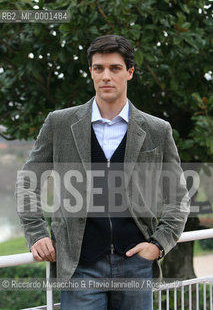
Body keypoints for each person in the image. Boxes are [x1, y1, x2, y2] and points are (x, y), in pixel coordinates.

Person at [16, 34, 190, 310]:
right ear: (91, 72)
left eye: (115, 68)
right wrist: (36, 233)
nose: (106, 76)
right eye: (99, 68)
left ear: (129, 72)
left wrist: (158, 244)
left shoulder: (157, 130)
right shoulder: (59, 123)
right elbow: (28, 181)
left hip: (136, 264)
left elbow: (178, 197)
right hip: (80, 266)